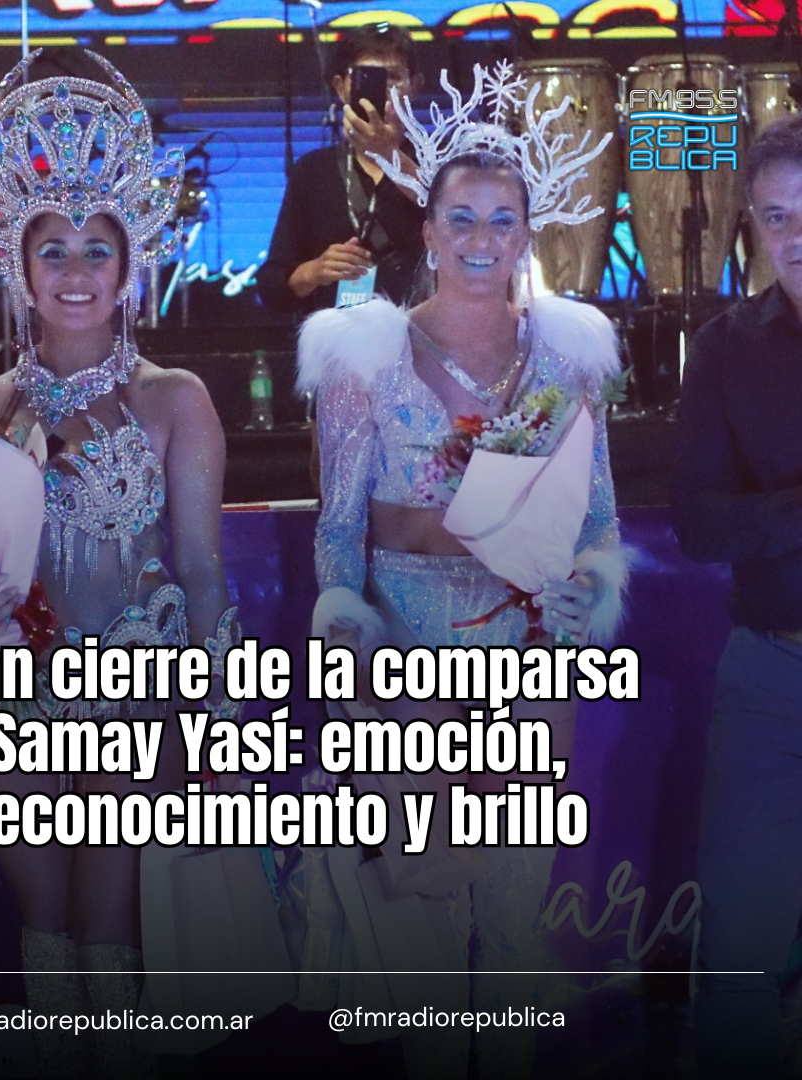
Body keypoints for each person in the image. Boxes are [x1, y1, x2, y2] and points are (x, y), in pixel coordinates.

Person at [296, 63, 627, 1078]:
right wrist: (346, 620)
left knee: (513, 917)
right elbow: (338, 533)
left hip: (527, 654)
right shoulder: (364, 358)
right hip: (404, 654)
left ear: (526, 236)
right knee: (421, 925)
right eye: (462, 219)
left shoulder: (568, 360)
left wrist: (588, 592)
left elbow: (599, 525)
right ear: (430, 231)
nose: (482, 239)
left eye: (502, 221)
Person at [0, 52, 239, 1080]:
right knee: (44, 931)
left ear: (128, 268)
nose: (74, 270)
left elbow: (202, 571)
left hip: (131, 694)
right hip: (13, 703)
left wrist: (216, 718)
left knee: (110, 927)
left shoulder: (174, 400)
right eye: (51, 247)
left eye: (96, 249)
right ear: (19, 268)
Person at [672, 112, 802, 1080]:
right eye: (776, 216)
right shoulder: (724, 347)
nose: (796, 236)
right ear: (752, 225)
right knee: (738, 969)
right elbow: (701, 525)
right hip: (770, 677)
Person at [256, 21, 426, 315]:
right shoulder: (313, 171)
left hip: (423, 332)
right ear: (340, 87)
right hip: (339, 333)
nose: (383, 89)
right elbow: (271, 287)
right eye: (367, 78)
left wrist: (388, 154)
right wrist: (314, 272)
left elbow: (445, 211)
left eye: (394, 77)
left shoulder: (441, 164)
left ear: (415, 86)